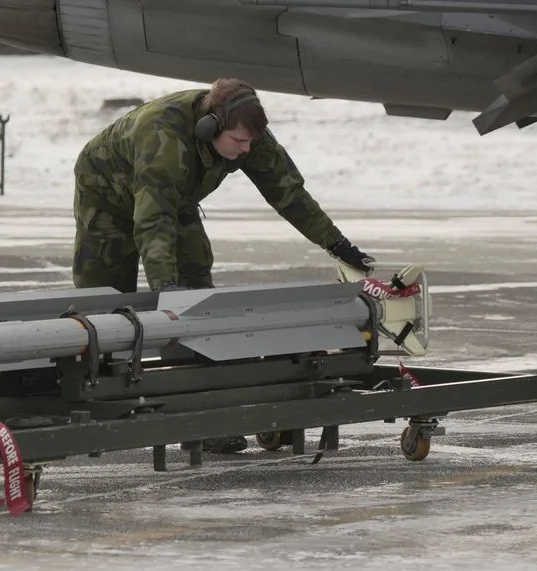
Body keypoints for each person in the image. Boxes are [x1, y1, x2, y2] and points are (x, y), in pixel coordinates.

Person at [72, 78, 374, 453]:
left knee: (197, 292)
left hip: (174, 198)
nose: (246, 150)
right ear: (209, 127)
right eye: (239, 142)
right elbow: (153, 222)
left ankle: (199, 420)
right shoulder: (162, 138)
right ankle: (93, 409)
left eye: (251, 143)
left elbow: (289, 193)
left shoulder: (247, 133)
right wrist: (166, 289)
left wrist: (338, 244)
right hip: (108, 197)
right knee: (105, 303)